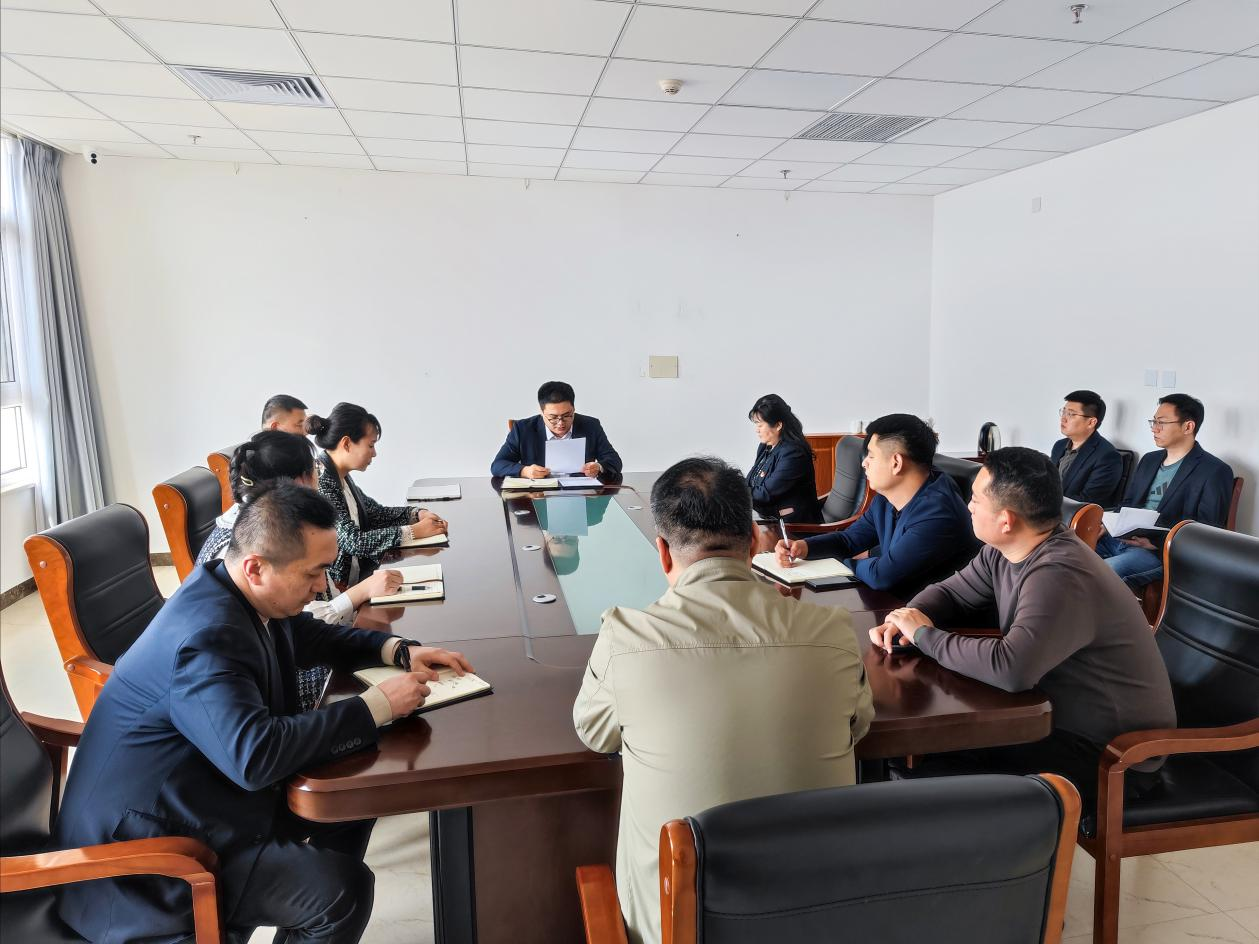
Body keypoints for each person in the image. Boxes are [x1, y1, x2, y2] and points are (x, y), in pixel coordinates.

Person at [56, 483, 472, 944]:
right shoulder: (205, 637)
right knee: (340, 892)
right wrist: (376, 706)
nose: (323, 586)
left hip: (199, 795)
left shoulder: (233, 587)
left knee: (352, 799)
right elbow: (254, 757)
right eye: (314, 572)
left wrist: (396, 649)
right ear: (256, 567)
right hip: (146, 857)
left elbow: (311, 636)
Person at [574, 457, 873, 944]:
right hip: (820, 924)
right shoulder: (833, 632)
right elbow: (857, 725)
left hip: (676, 930)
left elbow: (594, 732)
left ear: (662, 553)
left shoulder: (626, 638)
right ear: (755, 541)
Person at [869, 447, 1176, 807]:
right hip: (1051, 719)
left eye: (976, 500)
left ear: (1006, 520)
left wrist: (924, 635)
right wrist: (907, 617)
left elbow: (1011, 668)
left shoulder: (1059, 572)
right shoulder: (1005, 550)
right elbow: (951, 593)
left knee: (922, 784)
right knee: (910, 760)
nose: (968, 506)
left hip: (1111, 757)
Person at [197, 431, 413, 626]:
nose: (319, 476)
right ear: (299, 482)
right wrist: (360, 593)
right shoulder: (253, 539)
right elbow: (299, 627)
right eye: (316, 469)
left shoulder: (274, 518)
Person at [775, 413, 979, 595]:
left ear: (896, 463)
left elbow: (882, 576)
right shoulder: (887, 497)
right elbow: (849, 540)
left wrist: (840, 563)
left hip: (937, 619)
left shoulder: (938, 514)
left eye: (871, 456)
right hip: (899, 605)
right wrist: (804, 548)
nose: (864, 463)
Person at [1096, 393, 1234, 589]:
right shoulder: (1149, 460)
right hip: (1119, 539)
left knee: (1103, 573)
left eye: (1161, 422)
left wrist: (1156, 543)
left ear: (1188, 426)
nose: (1154, 428)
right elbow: (1127, 503)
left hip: (1159, 551)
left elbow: (1207, 531)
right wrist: (1108, 525)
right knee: (1066, 555)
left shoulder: (1214, 471)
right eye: (1153, 422)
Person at [308, 402, 447, 587]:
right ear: (347, 443)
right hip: (338, 591)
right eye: (371, 445)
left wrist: (417, 514)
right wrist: (414, 531)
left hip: (357, 581)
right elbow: (353, 541)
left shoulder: (339, 475)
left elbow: (376, 513)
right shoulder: (322, 481)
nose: (374, 453)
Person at [491, 380, 622, 479]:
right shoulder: (523, 429)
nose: (560, 423)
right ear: (542, 412)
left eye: (567, 415)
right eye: (553, 417)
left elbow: (614, 461)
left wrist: (598, 467)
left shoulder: (591, 425)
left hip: (580, 495)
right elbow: (498, 465)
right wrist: (524, 471)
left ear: (573, 409)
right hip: (538, 497)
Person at [745, 393, 821, 523]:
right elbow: (751, 480)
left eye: (760, 425)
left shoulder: (794, 453)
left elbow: (766, 494)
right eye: (756, 424)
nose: (757, 430)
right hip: (770, 516)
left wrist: (737, 491)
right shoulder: (765, 446)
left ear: (778, 425)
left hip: (794, 525)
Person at [1049, 389, 1123, 506]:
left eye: (1071, 414)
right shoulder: (1059, 445)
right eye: (1064, 412)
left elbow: (1088, 501)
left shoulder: (1107, 456)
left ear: (1091, 422)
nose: (1063, 418)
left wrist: (1046, 503)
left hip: (1073, 514)